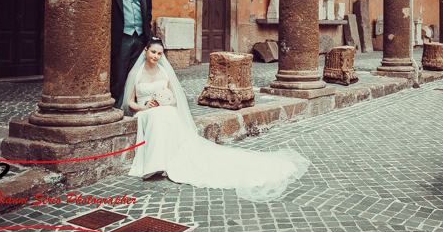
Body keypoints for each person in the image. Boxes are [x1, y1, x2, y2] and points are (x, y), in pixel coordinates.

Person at [121, 38, 310, 202]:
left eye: (160, 54)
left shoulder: (164, 72)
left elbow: (174, 100)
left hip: (163, 109)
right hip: (145, 111)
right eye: (153, 52)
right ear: (146, 51)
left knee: (168, 113)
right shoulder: (135, 74)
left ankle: (166, 161)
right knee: (158, 115)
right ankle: (154, 164)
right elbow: (130, 103)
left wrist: (166, 103)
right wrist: (145, 107)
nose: (156, 56)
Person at [111, 0, 152, 108]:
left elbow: (147, 11)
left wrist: (147, 35)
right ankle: (115, 106)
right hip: (122, 37)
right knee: (119, 75)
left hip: (140, 37)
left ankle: (134, 107)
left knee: (137, 74)